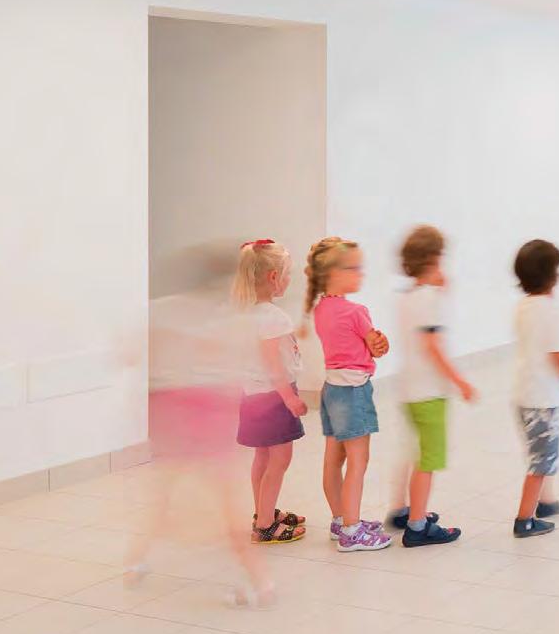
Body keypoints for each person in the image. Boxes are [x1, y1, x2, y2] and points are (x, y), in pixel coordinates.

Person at [124, 243, 272, 607]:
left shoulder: (164, 311)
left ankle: (136, 561)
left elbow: (130, 353)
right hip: (211, 417)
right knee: (227, 502)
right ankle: (260, 582)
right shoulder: (237, 320)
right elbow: (245, 370)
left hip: (173, 414)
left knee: (165, 491)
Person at [386, 225, 476, 547]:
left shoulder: (407, 297)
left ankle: (402, 509)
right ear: (434, 258)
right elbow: (432, 346)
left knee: (413, 452)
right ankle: (418, 525)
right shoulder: (429, 299)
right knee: (427, 461)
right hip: (429, 392)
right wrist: (459, 380)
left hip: (409, 390)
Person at [304, 237, 391, 552]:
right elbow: (376, 348)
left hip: (331, 390)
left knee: (333, 459)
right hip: (353, 391)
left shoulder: (320, 310)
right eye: (354, 268)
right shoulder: (356, 312)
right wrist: (380, 345)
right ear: (333, 273)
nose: (360, 273)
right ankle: (352, 532)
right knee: (358, 460)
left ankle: (341, 520)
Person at [232, 239, 308, 547]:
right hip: (274, 397)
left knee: (262, 456)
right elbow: (273, 363)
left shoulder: (246, 314)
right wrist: (289, 398)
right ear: (274, 277)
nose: (289, 281)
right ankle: (265, 525)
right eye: (287, 275)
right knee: (280, 459)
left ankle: (263, 511)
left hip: (252, 395)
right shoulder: (274, 318)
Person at [512, 239, 559, 539]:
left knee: (539, 455)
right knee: (541, 462)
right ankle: (525, 519)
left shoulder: (523, 306)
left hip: (524, 394)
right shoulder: (552, 310)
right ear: (552, 275)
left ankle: (546, 502)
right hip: (542, 398)